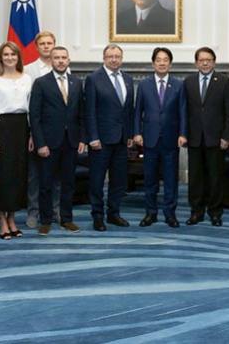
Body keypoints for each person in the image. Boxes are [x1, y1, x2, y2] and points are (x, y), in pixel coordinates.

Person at [29, 46, 86, 235]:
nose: (61, 61)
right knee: (46, 183)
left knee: (68, 183)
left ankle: (66, 219)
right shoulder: (40, 83)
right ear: (51, 61)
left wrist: (82, 139)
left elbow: (81, 114)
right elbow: (35, 116)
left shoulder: (77, 82)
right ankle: (45, 220)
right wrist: (40, 143)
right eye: (57, 58)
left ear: (68, 60)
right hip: (48, 143)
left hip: (71, 142)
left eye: (64, 57)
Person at [0, 42, 33, 239]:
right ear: (0, 58)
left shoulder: (27, 78)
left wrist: (32, 135)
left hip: (21, 129)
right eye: (6, 54)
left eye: (13, 54)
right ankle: (3, 219)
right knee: (1, 176)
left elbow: (31, 108)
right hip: (1, 129)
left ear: (18, 57)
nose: (10, 57)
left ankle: (12, 218)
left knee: (17, 176)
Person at [134, 47, 188, 228]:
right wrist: (137, 133)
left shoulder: (179, 85)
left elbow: (183, 112)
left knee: (171, 179)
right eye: (159, 60)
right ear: (153, 63)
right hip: (149, 139)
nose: (162, 63)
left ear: (170, 64)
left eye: (166, 60)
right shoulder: (144, 85)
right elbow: (137, 112)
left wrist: (182, 134)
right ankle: (150, 213)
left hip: (171, 140)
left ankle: (170, 213)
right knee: (150, 179)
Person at [84, 44, 135, 231]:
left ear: (122, 58)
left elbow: (129, 110)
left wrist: (129, 135)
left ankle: (114, 213)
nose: (114, 59)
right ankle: (97, 216)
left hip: (121, 140)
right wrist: (93, 137)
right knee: (97, 181)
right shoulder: (93, 79)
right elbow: (89, 111)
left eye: (117, 56)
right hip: (101, 140)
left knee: (119, 180)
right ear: (104, 58)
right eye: (110, 56)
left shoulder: (128, 79)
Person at [184, 47, 229, 227]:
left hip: (217, 139)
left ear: (214, 62)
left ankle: (215, 212)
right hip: (194, 138)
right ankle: (196, 211)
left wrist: (227, 136)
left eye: (209, 60)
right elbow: (184, 111)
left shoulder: (223, 81)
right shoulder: (188, 82)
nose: (205, 63)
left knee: (215, 177)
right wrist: (183, 134)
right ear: (196, 62)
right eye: (201, 60)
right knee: (195, 178)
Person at [23, 31, 60, 228]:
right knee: (35, 176)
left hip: (57, 133)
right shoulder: (28, 70)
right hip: (37, 132)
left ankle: (54, 210)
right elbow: (30, 104)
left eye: (50, 43)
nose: (46, 46)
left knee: (55, 175)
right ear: (37, 47)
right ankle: (33, 212)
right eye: (43, 44)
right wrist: (31, 133)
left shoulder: (62, 68)